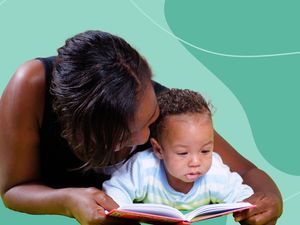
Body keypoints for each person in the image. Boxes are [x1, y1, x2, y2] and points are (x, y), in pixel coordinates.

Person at [0, 30, 282, 225]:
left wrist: (271, 201)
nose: (145, 138)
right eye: (121, 137)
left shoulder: (164, 110)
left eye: (150, 121)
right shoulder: (31, 86)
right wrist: (66, 201)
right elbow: (14, 188)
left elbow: (247, 172)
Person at [103, 88, 254, 209]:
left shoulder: (215, 172)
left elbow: (241, 194)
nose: (196, 161)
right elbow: (116, 190)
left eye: (205, 151)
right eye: (183, 153)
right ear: (158, 150)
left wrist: (249, 207)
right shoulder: (144, 167)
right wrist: (121, 211)